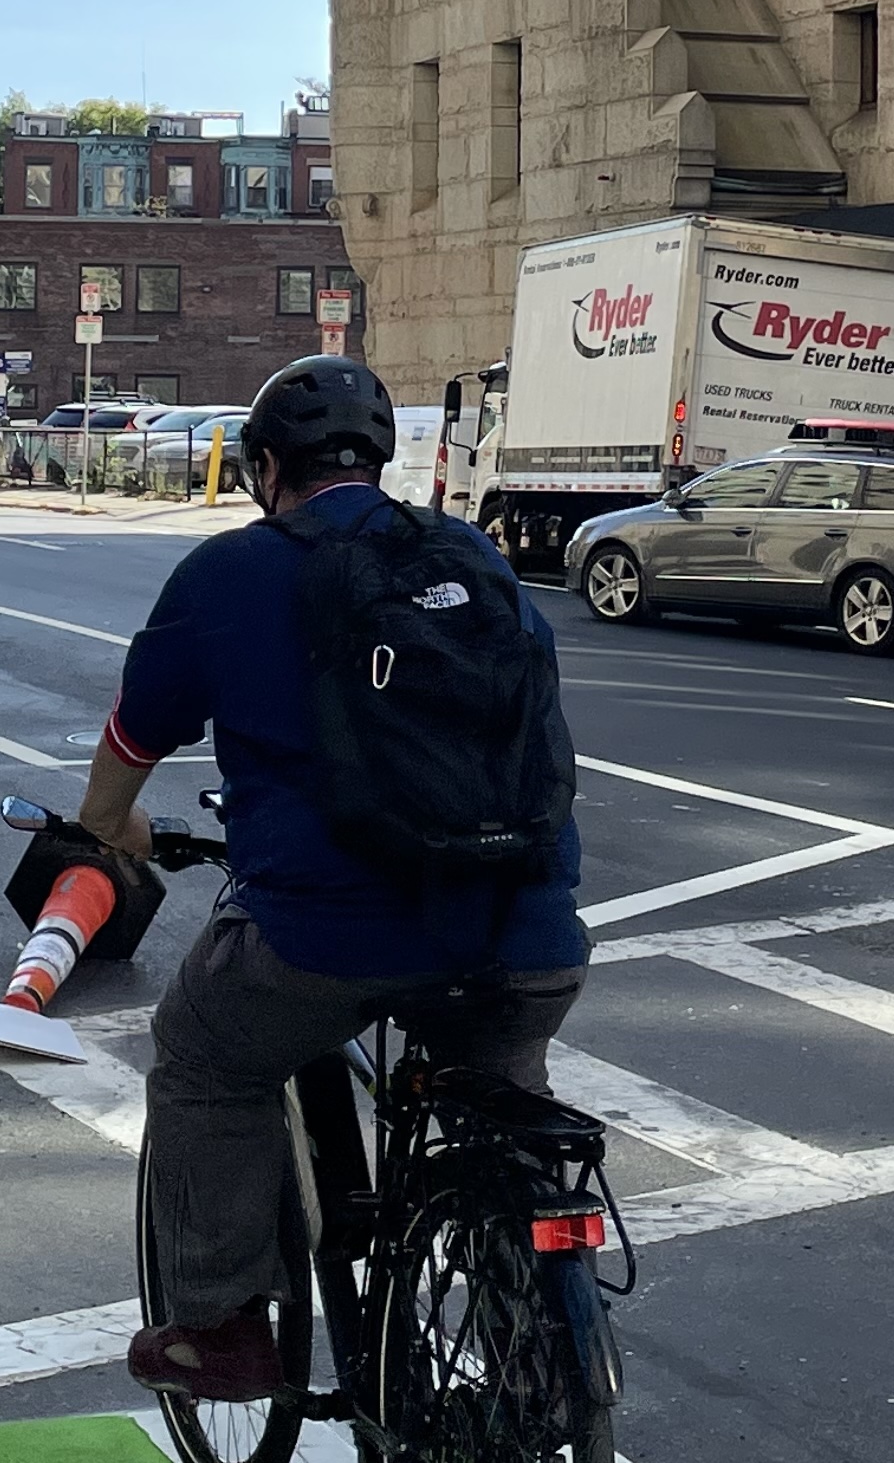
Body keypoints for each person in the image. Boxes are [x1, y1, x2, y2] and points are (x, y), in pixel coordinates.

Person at [72, 353, 586, 1404]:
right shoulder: (473, 559)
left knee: (204, 1053)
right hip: (526, 929)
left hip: (328, 936)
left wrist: (114, 830)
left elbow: (128, 749)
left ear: (265, 468)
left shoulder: (229, 574)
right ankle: (541, 1341)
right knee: (504, 1085)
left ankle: (220, 1328)